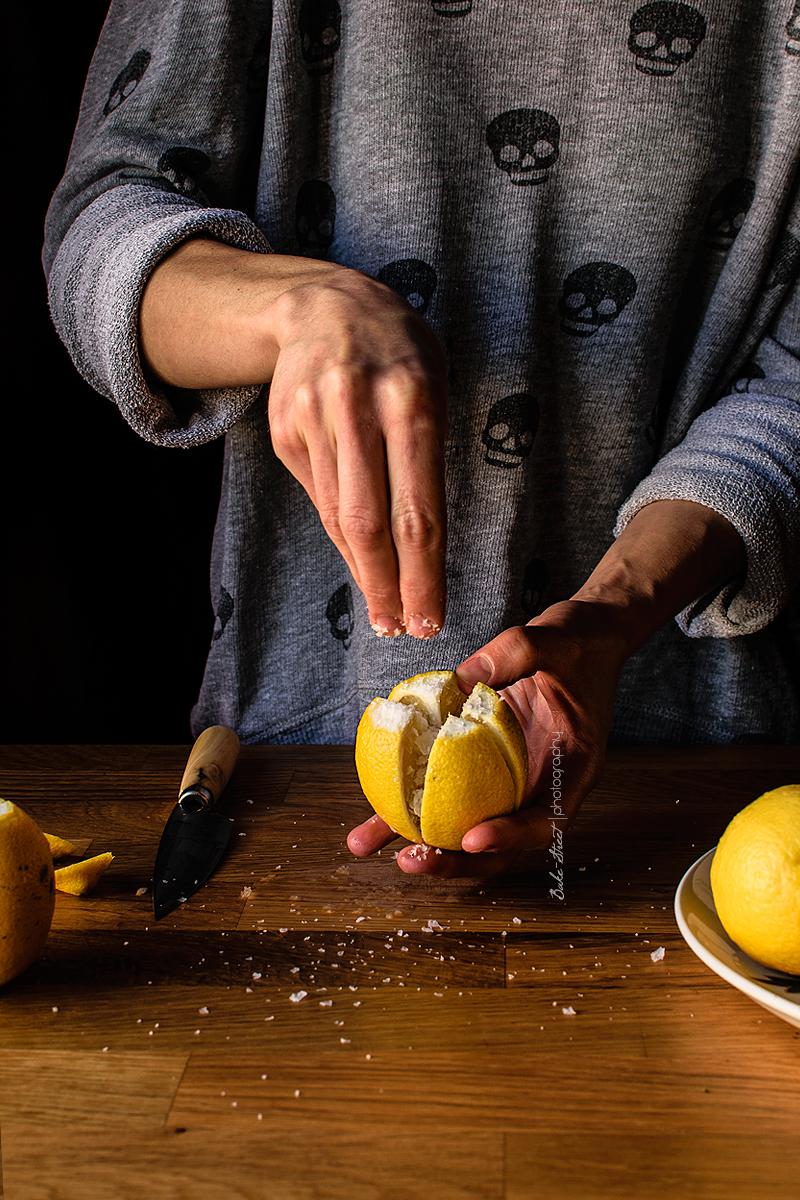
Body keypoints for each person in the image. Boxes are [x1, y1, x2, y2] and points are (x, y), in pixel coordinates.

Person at [44, 2, 799, 879]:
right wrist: (291, 308)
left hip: (709, 773)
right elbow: (100, 215)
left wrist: (614, 614)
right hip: (290, 753)